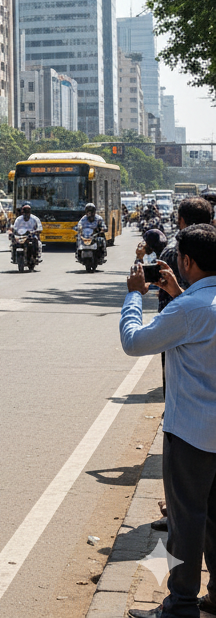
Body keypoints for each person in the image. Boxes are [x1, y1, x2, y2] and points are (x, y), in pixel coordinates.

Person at [122, 224, 216, 618]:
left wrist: (132, 296)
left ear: (188, 261)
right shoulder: (194, 304)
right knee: (214, 518)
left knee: (186, 522)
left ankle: (179, 606)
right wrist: (181, 295)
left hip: (191, 434)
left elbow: (134, 342)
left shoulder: (187, 310)